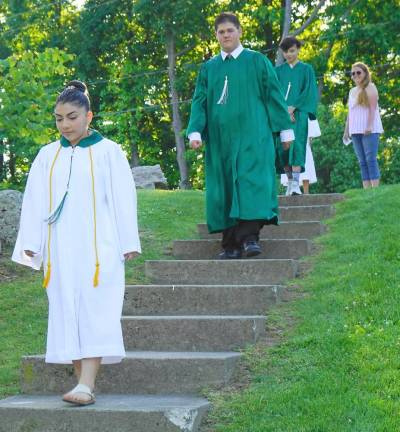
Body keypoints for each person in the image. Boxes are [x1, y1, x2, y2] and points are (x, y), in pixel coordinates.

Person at [12, 80, 141, 406]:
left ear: (89, 116)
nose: (65, 124)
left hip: (101, 250)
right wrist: (31, 243)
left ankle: (87, 383)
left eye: (72, 116)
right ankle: (81, 383)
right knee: (66, 308)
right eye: (59, 118)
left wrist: (128, 240)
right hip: (61, 250)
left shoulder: (109, 152)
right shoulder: (47, 156)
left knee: (96, 309)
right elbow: (34, 202)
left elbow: (124, 199)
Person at [187, 12, 294, 259]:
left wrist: (285, 129)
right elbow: (200, 101)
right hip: (221, 140)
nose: (226, 35)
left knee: (250, 182)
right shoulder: (210, 68)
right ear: (216, 35)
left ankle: (249, 239)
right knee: (224, 187)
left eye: (230, 30)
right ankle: (230, 244)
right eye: (221, 32)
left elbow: (273, 96)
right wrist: (195, 131)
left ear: (239, 31)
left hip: (253, 136)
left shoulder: (256, 61)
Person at [275, 36, 318, 196]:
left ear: (298, 49)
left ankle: (296, 185)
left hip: (299, 115)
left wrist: (293, 108)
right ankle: (290, 183)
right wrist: (285, 110)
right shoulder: (278, 71)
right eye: (286, 51)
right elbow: (274, 93)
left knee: (298, 146)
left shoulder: (306, 70)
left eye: (292, 50)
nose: (289, 54)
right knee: (283, 148)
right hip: (282, 116)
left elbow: (309, 91)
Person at [343, 62, 383, 188]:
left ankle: (375, 189)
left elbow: (372, 109)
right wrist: (346, 130)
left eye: (358, 72)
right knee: (362, 161)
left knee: (370, 159)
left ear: (365, 73)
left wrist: (369, 126)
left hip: (369, 129)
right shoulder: (352, 91)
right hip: (355, 130)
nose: (355, 75)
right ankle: (366, 190)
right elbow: (350, 112)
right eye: (353, 73)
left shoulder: (370, 87)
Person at [280, 118, 321, 194]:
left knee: (306, 161)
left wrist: (309, 138)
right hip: (288, 124)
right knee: (287, 154)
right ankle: (291, 185)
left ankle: (306, 192)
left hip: (302, 131)